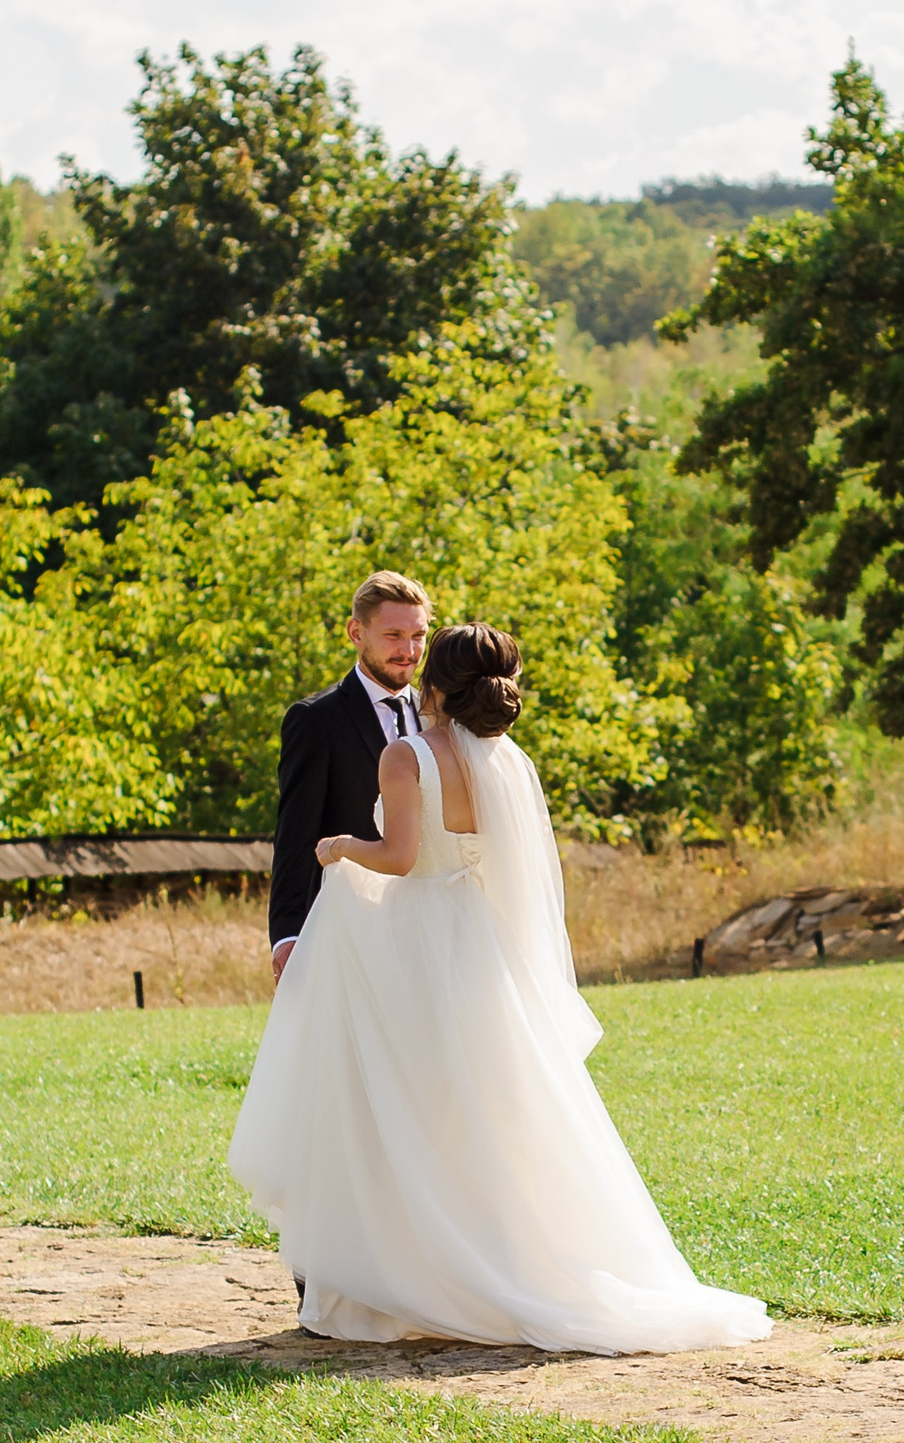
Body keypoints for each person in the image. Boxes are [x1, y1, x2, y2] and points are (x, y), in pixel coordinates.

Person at [228, 621, 774, 1352]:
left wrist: (338, 847)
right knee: (478, 1112)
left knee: (400, 1107)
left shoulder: (406, 754)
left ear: (436, 685)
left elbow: (399, 856)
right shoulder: (509, 761)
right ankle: (492, 1258)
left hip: (414, 942)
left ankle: (410, 1276)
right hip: (478, 943)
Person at [267, 571, 433, 985]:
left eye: (418, 635)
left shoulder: (439, 714)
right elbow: (295, 833)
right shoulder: (315, 720)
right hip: (352, 920)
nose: (409, 651)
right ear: (356, 632)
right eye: (393, 635)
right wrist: (287, 934)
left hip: (433, 919)